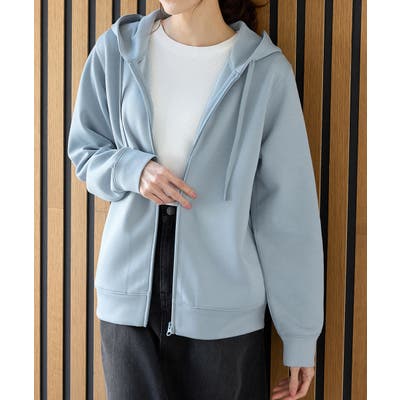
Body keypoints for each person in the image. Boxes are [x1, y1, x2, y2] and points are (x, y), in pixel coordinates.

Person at [67, 1, 325, 399]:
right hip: (128, 314)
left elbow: (288, 216)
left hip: (225, 323)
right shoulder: (117, 51)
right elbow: (85, 151)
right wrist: (133, 169)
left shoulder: (265, 73)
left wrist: (300, 336)